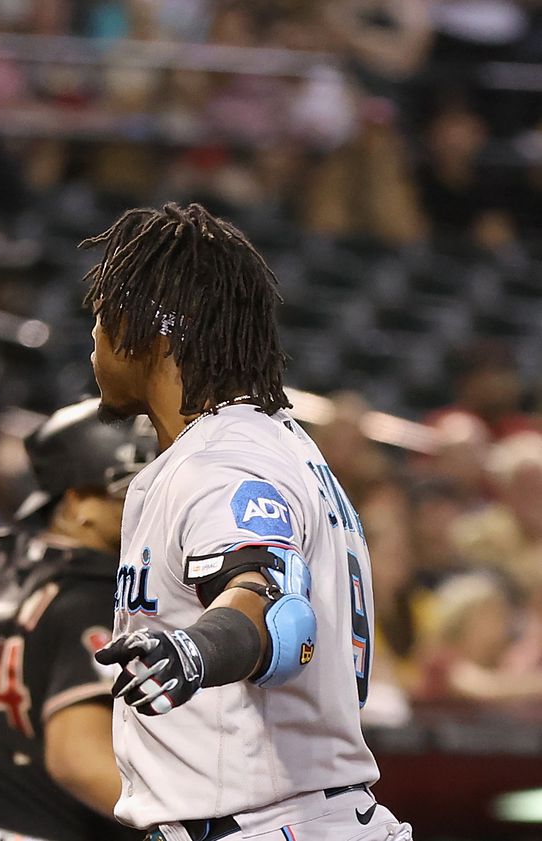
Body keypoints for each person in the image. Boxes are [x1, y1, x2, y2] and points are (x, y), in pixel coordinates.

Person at [84, 203, 410, 840]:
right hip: (312, 814)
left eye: (101, 315)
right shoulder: (276, 444)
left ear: (149, 330)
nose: (92, 338)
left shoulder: (222, 459)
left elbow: (272, 604)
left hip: (264, 824)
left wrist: (197, 649)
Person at [0, 401, 156, 841]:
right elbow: (76, 757)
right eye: (130, 492)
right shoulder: (87, 590)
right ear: (77, 504)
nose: (148, 506)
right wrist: (172, 822)